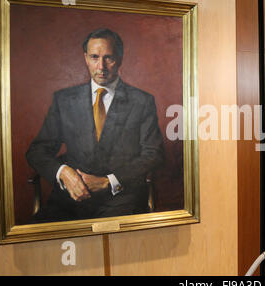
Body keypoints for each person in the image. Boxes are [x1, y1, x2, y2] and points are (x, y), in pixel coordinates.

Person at [26, 28, 164, 222]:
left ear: (120, 58)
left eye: (109, 58)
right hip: (69, 201)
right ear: (85, 58)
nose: (101, 66)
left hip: (122, 200)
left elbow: (154, 154)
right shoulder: (64, 100)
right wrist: (63, 172)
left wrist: (109, 182)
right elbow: (37, 151)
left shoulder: (142, 101)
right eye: (94, 57)